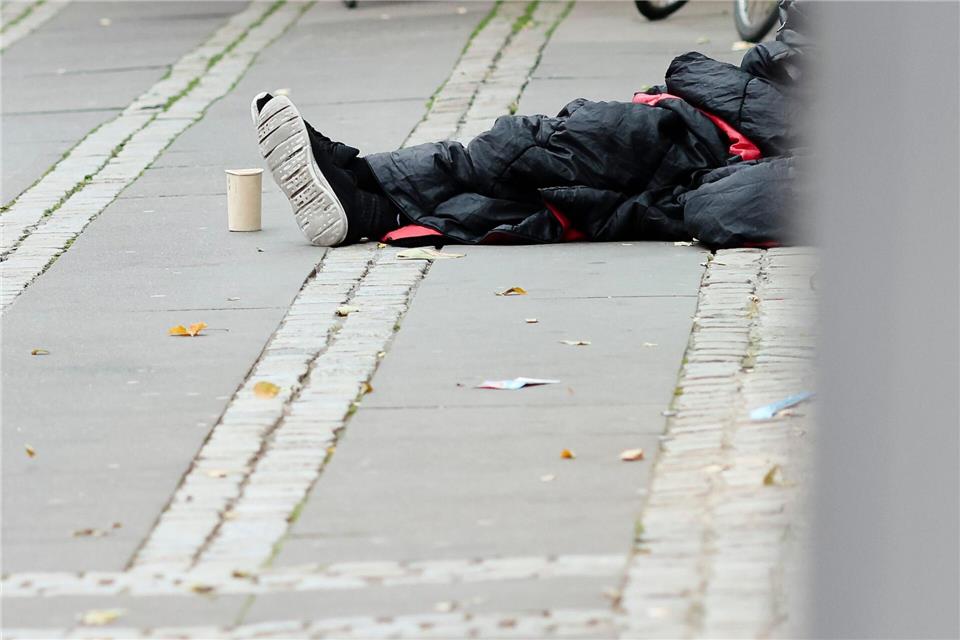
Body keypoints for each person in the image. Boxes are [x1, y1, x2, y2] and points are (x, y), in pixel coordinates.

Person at [251, 1, 808, 249]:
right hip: (714, 125)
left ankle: (369, 195)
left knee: (541, 164)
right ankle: (365, 189)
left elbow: (723, 207)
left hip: (721, 151)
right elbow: (776, 63)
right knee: (539, 158)